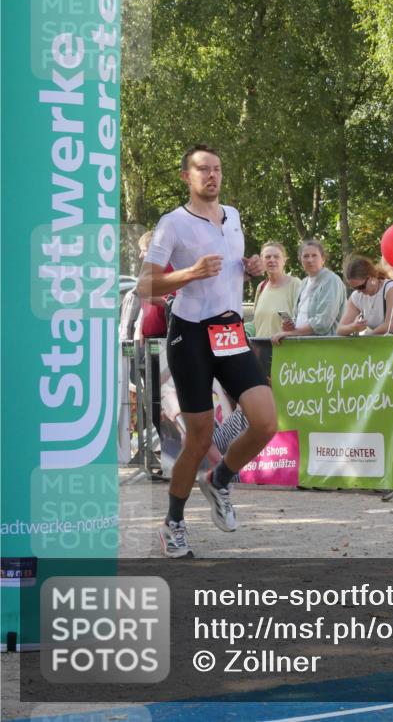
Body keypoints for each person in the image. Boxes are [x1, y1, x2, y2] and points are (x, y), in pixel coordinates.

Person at [138, 143, 276, 558]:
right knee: (198, 436)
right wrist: (188, 273)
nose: (212, 176)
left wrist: (249, 267)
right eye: (203, 170)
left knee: (266, 422)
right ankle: (173, 523)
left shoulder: (232, 216)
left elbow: (229, 273)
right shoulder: (172, 224)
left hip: (230, 330)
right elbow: (145, 285)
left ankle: (219, 480)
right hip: (191, 333)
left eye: (217, 169)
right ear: (187, 177)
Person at [271, 239, 346, 344]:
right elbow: (300, 316)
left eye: (314, 255)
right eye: (305, 256)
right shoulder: (304, 282)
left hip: (325, 347)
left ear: (323, 259)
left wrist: (293, 333)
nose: (310, 260)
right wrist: (290, 326)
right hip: (304, 345)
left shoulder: (331, 280)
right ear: (301, 260)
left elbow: (323, 322)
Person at [338, 256, 393, 336]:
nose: (358, 291)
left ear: (371, 277)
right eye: (354, 288)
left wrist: (368, 337)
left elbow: (390, 326)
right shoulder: (356, 296)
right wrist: (353, 327)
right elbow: (340, 330)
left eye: (361, 287)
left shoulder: (391, 288)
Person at [252, 241, 301, 339]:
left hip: (285, 349)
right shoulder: (261, 287)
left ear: (284, 260)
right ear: (261, 261)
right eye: (267, 257)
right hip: (261, 349)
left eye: (276, 256)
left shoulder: (296, 284)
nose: (272, 260)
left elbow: (305, 322)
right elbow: (256, 323)